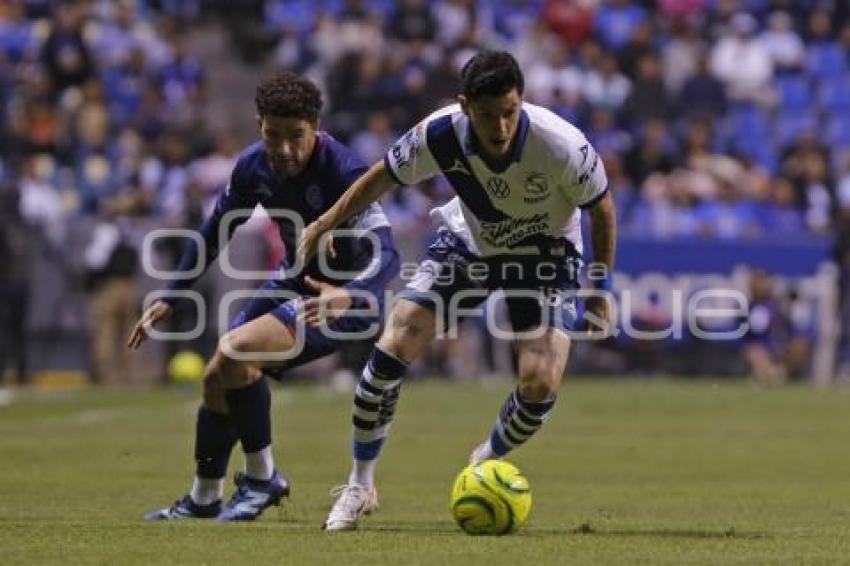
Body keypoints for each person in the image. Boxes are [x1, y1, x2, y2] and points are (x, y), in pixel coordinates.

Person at [298, 50, 617, 531]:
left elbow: (603, 208)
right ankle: (360, 485)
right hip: (471, 243)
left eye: (509, 112)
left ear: (521, 101)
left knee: (540, 383)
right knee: (392, 347)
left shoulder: (560, 144)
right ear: (465, 105)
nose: (501, 126)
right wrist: (324, 222)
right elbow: (382, 175)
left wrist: (600, 286)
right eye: (488, 114)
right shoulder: (441, 134)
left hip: (547, 254)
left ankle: (486, 459)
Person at [127, 72, 400, 521]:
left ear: (316, 127)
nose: (285, 149)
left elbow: (386, 253)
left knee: (236, 350)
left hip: (342, 298)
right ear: (259, 126)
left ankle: (261, 479)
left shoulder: (344, 170)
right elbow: (215, 231)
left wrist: (350, 293)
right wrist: (171, 294)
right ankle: (204, 497)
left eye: (297, 136)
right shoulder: (253, 166)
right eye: (274, 135)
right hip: (294, 278)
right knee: (217, 373)